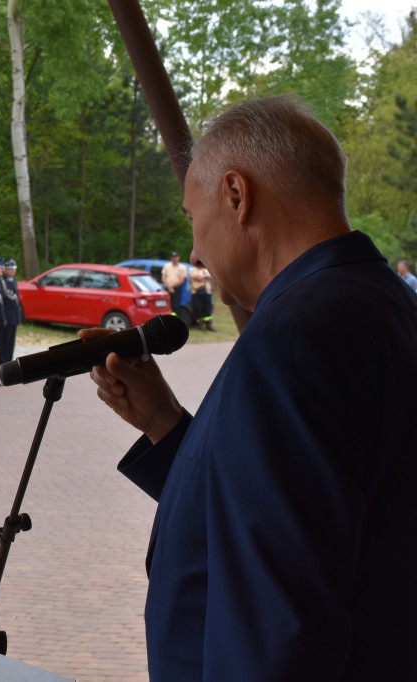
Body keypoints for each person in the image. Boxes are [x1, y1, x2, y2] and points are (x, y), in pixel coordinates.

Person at [87, 95, 417, 679]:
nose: (193, 250)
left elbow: (276, 624)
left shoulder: (294, 335)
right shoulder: (387, 304)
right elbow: (320, 513)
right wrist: (166, 426)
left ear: (237, 196)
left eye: (193, 218)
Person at [188, 263, 215, 331]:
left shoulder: (206, 270)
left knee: (208, 309)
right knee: (199, 309)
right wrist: (206, 278)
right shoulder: (193, 271)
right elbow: (198, 278)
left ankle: (208, 325)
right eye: (199, 263)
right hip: (197, 293)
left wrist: (206, 278)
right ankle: (200, 325)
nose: (201, 265)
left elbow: (212, 278)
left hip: (207, 292)